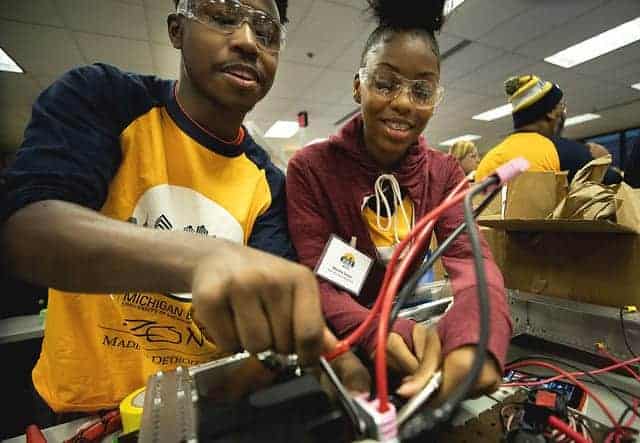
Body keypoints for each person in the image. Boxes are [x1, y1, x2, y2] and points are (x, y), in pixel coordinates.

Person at [0, 0, 367, 422]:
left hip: (191, 414)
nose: (248, 41)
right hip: (76, 413)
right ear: (177, 29)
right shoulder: (103, 98)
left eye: (265, 31)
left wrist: (333, 354)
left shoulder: (270, 184)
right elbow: (28, 230)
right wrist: (206, 258)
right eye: (224, 17)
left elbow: (267, 314)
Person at [286, 0, 509, 403]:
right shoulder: (310, 169)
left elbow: (473, 266)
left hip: (401, 334)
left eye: (421, 90)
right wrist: (380, 333)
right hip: (332, 338)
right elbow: (315, 282)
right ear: (358, 85)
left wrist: (477, 337)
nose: (404, 102)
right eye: (385, 84)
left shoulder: (443, 175)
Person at [476, 74, 621, 185]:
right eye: (561, 106)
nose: (564, 113)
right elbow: (614, 184)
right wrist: (602, 162)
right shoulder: (566, 152)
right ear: (551, 112)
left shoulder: (489, 159)